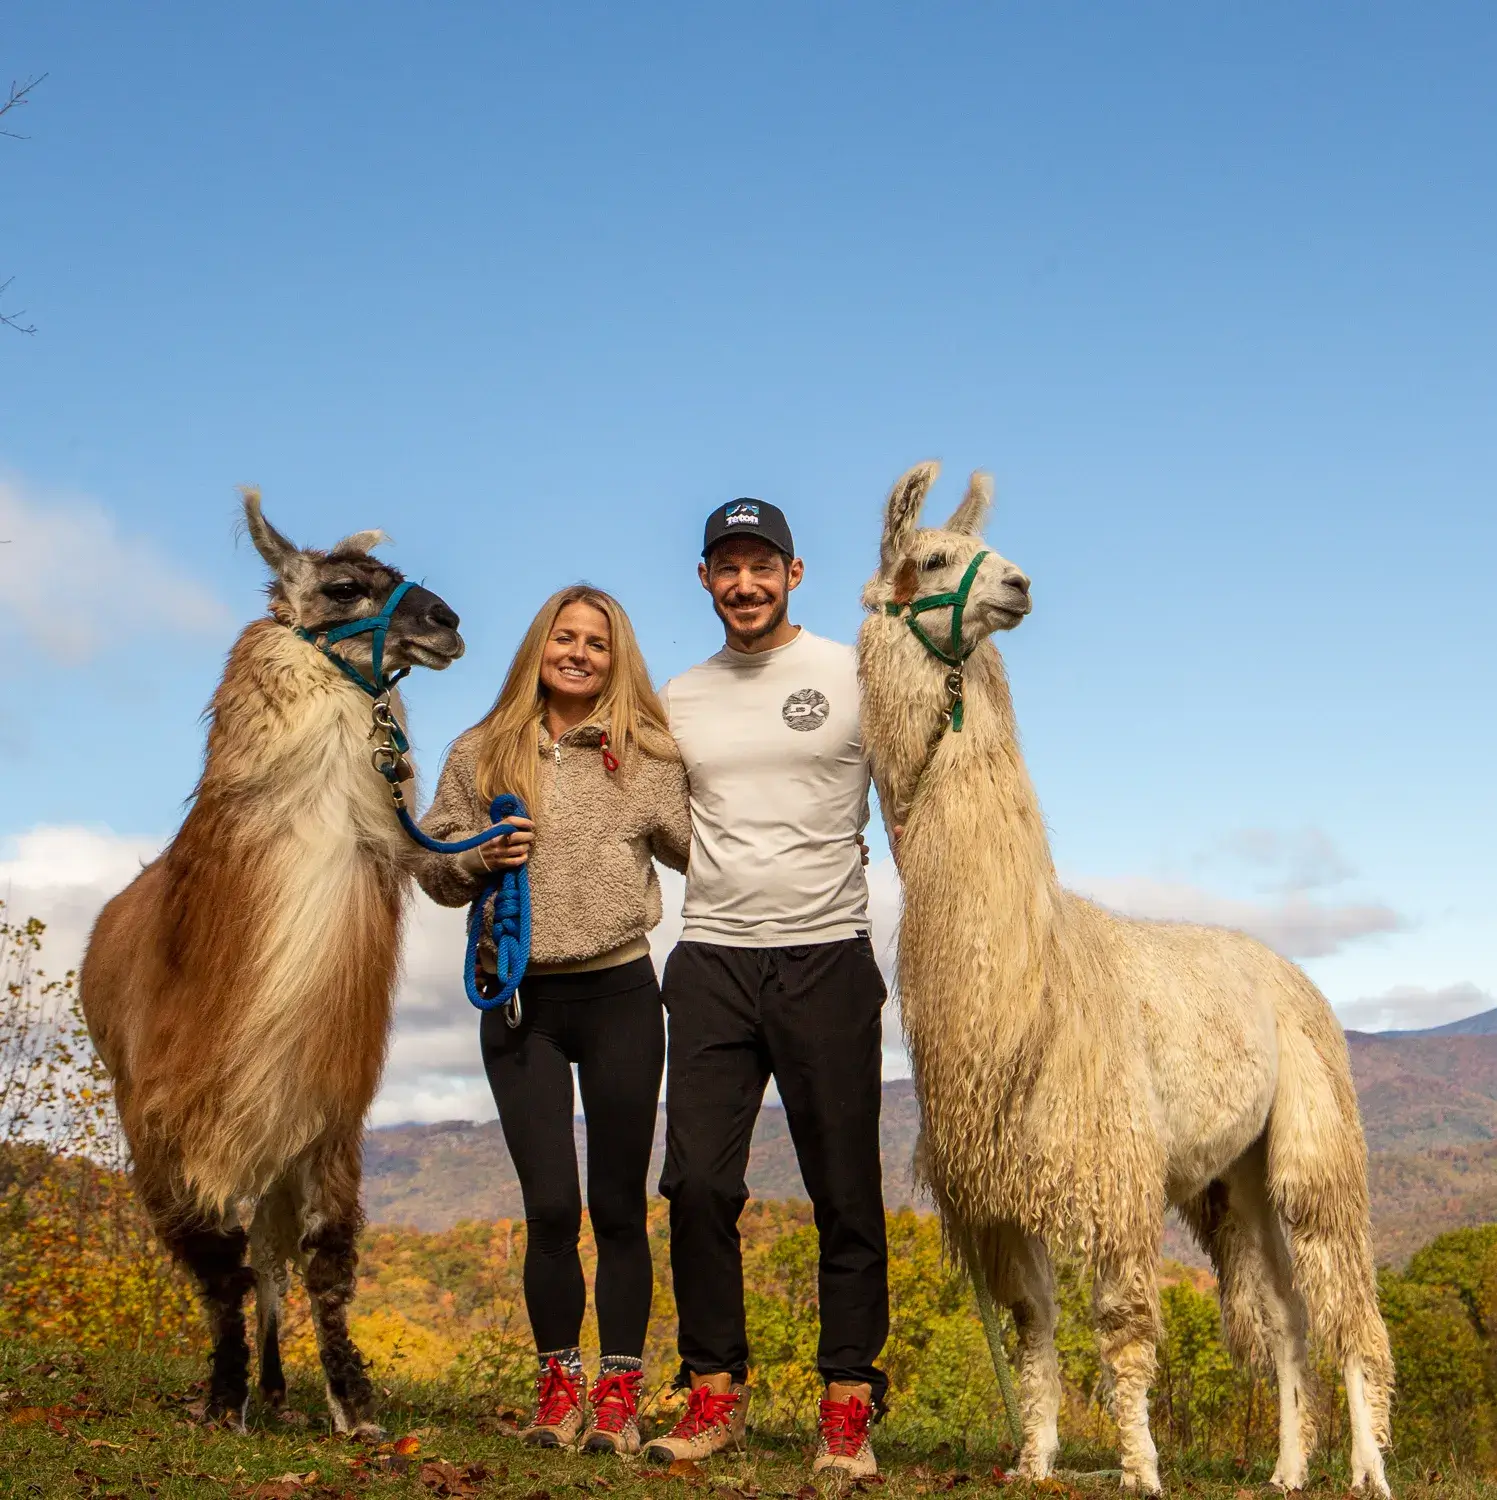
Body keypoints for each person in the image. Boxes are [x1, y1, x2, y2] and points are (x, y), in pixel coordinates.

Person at [643, 500, 889, 1478]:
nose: (745, 584)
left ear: (794, 572)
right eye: (726, 567)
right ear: (705, 580)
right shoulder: (682, 693)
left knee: (844, 1189)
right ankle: (715, 1393)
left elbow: (910, 789)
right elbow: (646, 804)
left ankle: (847, 1403)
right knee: (696, 1183)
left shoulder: (851, 671)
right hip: (712, 956)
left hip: (828, 952)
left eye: (762, 566)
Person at [415, 585, 690, 1455]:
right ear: (539, 646)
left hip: (619, 999)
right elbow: (432, 864)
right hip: (518, 1002)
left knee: (616, 1205)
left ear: (617, 660)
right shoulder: (479, 751)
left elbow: (704, 852)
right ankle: (556, 1384)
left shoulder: (648, 756)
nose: (578, 653)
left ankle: (618, 1390)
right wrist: (475, 857)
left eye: (596, 644)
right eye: (563, 637)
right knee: (548, 1207)